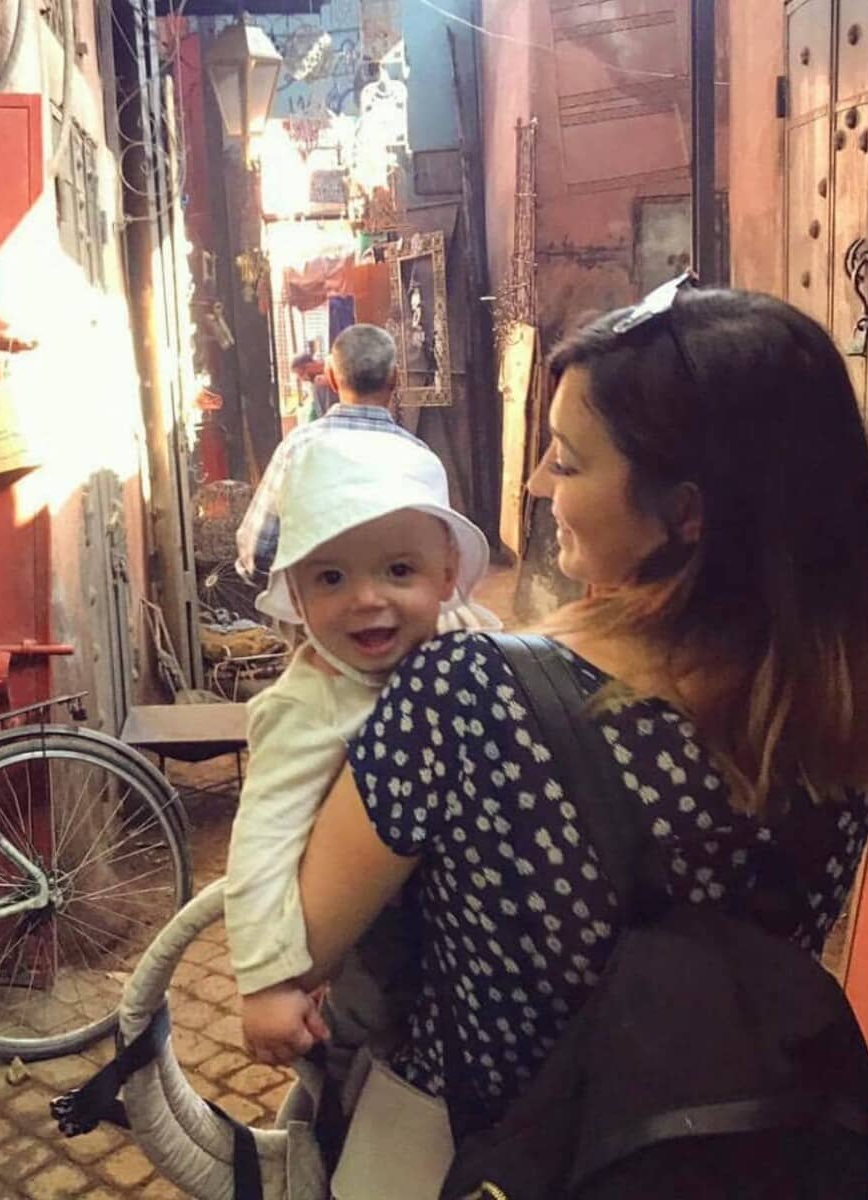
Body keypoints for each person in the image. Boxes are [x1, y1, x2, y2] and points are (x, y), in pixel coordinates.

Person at [245, 281, 868, 1193]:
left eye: (568, 460)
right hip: (702, 1155)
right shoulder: (840, 716)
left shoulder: (466, 695)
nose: (537, 485)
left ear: (684, 511)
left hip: (470, 1154)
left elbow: (304, 942)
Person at [226, 426, 491, 1083]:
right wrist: (266, 982)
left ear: (447, 574)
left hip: (468, 923)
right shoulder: (307, 705)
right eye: (331, 577)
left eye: (399, 570)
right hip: (378, 943)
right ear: (297, 593)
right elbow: (262, 841)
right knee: (365, 1050)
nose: (367, 598)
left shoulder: (459, 636)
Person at [236, 325, 423, 586]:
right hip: (397, 606)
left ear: (332, 378)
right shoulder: (418, 457)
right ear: (395, 378)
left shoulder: (297, 449)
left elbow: (257, 553)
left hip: (313, 604)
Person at [291, 351, 336, 421]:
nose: (303, 379)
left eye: (302, 374)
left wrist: (330, 381)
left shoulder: (332, 365)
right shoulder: (315, 383)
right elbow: (316, 408)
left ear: (309, 365)